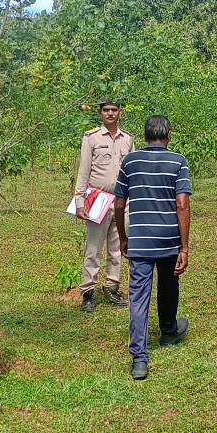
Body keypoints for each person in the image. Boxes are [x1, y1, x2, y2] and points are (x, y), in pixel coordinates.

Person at [113, 115, 191, 380]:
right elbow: (182, 205)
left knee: (138, 297)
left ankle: (139, 358)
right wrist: (184, 247)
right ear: (168, 135)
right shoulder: (178, 161)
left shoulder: (130, 161)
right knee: (169, 283)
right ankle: (168, 331)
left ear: (145, 136)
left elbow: (119, 204)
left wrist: (123, 237)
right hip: (168, 239)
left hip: (140, 239)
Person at [74, 97, 135, 312]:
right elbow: (83, 170)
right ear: (100, 113)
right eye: (106, 110)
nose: (110, 113)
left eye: (114, 110)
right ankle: (88, 292)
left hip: (121, 200)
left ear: (120, 113)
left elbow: (133, 170)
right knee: (93, 248)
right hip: (97, 198)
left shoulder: (128, 139)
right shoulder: (91, 138)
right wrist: (80, 201)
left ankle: (111, 286)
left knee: (117, 247)